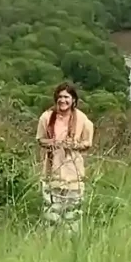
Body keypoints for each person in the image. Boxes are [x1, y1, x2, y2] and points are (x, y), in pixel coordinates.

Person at [36, 82, 94, 232]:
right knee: (51, 215)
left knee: (72, 216)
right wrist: (51, 142)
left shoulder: (82, 119)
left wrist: (74, 145)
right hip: (51, 172)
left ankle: (70, 247)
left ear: (73, 99)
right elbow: (40, 139)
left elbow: (87, 143)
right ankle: (50, 246)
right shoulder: (46, 117)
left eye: (66, 97)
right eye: (60, 97)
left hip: (73, 173)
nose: (63, 100)